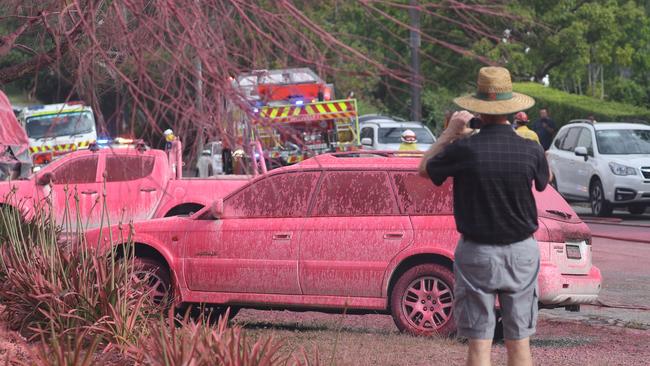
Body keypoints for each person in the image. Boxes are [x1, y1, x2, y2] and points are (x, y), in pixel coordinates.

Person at [419, 67, 548, 366]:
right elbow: (545, 179)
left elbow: (424, 168)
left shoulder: (464, 148)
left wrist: (450, 134)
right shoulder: (530, 149)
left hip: (477, 252)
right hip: (521, 252)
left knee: (479, 343)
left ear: (478, 109)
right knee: (519, 343)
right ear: (513, 111)